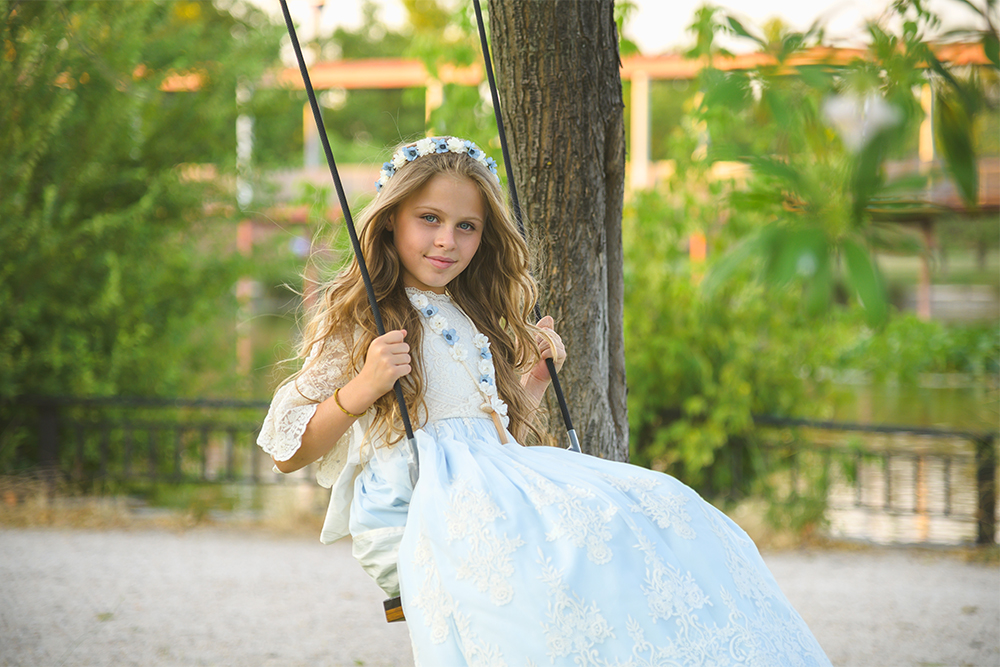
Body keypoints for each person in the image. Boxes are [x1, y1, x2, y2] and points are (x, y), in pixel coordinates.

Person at [257, 136, 831, 666]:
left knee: (662, 505)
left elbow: (497, 439)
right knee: (580, 541)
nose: (447, 240)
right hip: (423, 502)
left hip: (488, 485)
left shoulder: (470, 314)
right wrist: (362, 387)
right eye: (429, 219)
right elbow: (287, 452)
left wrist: (531, 383)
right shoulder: (363, 320)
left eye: (466, 226)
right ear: (390, 221)